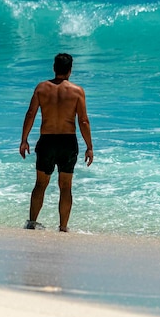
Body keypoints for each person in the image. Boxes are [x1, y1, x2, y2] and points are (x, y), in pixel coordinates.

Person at [19, 53, 93, 232]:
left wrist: (24, 140)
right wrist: (89, 146)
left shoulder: (41, 88)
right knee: (66, 186)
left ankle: (32, 223)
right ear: (70, 70)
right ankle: (63, 227)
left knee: (40, 184)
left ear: (54, 68)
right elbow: (83, 120)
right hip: (67, 142)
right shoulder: (77, 91)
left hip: (47, 140)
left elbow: (31, 113)